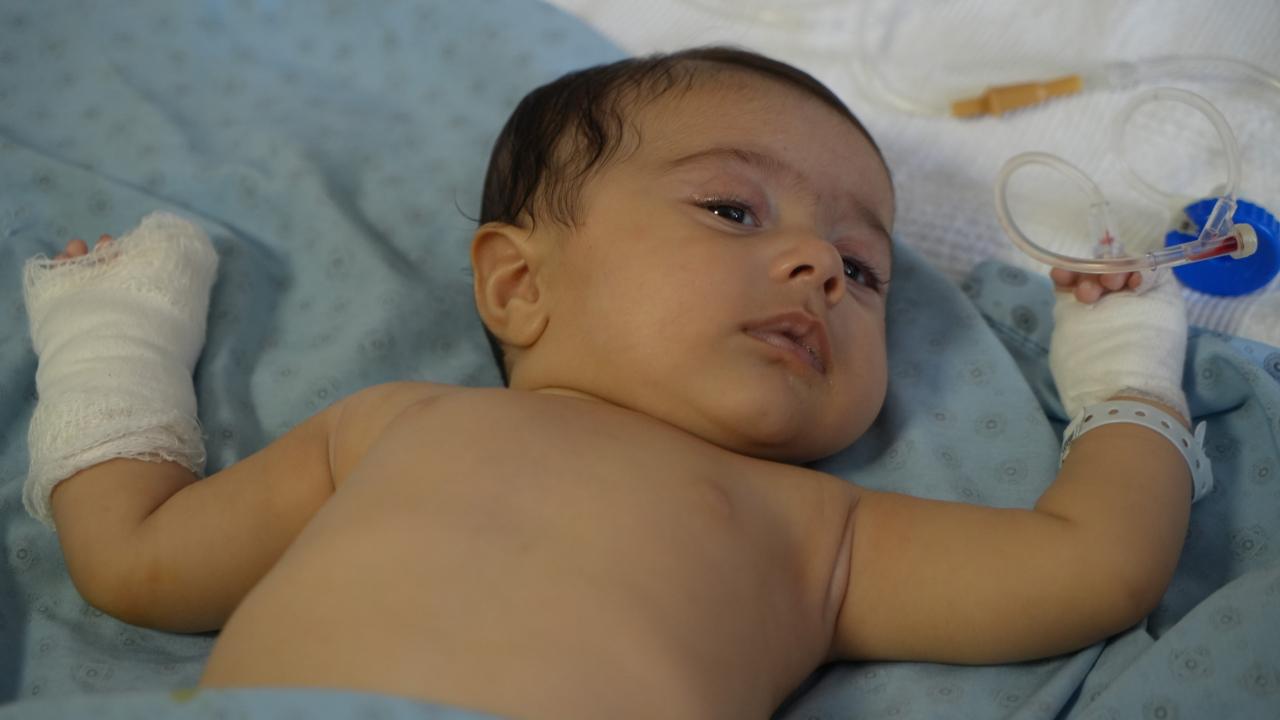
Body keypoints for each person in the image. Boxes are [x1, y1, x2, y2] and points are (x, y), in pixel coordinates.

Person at [21, 47, 1208, 719]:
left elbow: (1092, 567)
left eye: (861, 268)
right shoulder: (394, 425)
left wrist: (1123, 359)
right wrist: (115, 336)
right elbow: (136, 558)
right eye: (731, 209)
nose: (818, 267)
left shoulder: (820, 532)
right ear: (517, 285)